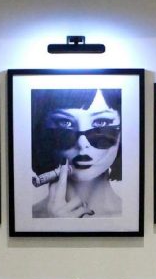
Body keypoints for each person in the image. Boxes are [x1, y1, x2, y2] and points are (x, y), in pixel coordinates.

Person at [31, 88, 122, 218]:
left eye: (101, 122)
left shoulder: (133, 216)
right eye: (65, 123)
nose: (81, 144)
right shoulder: (30, 219)